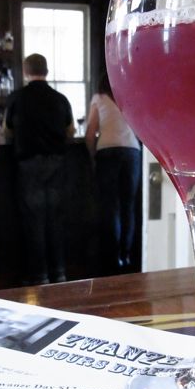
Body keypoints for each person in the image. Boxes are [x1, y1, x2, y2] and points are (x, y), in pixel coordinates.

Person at [5, 53, 75, 285]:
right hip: (56, 163)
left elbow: (7, 131)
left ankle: (40, 275)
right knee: (56, 218)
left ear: (26, 72)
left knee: (34, 220)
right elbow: (70, 131)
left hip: (29, 164)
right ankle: (60, 272)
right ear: (46, 71)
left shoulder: (16, 98)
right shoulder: (60, 99)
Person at [85, 72, 141, 275]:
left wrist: (93, 156)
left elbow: (90, 133)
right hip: (132, 152)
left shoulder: (99, 98)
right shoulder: (130, 96)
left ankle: (111, 259)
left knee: (111, 207)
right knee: (128, 206)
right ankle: (126, 256)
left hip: (107, 151)